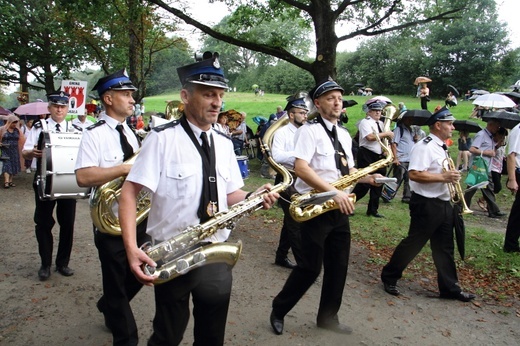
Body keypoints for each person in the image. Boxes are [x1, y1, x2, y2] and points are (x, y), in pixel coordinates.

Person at [118, 52, 278, 345]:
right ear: (185, 96)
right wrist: (130, 248)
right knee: (168, 334)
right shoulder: (161, 139)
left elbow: (230, 193)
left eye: (220, 95)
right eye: (208, 94)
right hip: (172, 252)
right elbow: (129, 194)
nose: (217, 102)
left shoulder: (223, 141)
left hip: (215, 251)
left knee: (211, 336)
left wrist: (252, 196)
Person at [270, 79, 383, 336]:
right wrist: (333, 192)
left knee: (339, 266)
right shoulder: (308, 131)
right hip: (317, 205)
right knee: (310, 267)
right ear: (318, 104)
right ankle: (279, 309)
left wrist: (367, 178)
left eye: (339, 98)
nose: (337, 102)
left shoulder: (343, 134)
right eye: (331, 98)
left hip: (339, 207)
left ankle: (328, 317)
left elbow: (349, 170)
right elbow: (301, 168)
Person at [75, 69, 149, 346]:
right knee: (117, 285)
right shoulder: (93, 134)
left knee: (142, 273)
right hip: (110, 221)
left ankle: (108, 304)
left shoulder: (131, 132)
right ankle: (126, 338)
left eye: (132, 95)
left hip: (138, 218)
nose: (132, 100)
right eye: (126, 95)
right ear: (108, 98)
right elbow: (83, 176)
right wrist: (124, 169)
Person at [381, 106, 476, 302]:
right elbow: (414, 174)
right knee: (414, 243)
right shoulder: (424, 146)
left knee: (445, 247)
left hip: (442, 202)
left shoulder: (441, 146)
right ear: (438, 125)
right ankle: (389, 276)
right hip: (425, 203)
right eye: (449, 123)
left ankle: (450, 288)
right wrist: (444, 177)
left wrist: (450, 178)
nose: (453, 127)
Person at [22, 91, 76, 281]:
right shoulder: (39, 127)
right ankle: (45, 264)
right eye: (55, 106)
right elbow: (25, 151)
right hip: (44, 179)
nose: (59, 109)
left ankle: (63, 263)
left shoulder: (75, 128)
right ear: (49, 108)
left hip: (68, 180)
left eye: (62, 106)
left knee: (67, 223)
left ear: (68, 108)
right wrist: (32, 153)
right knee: (43, 222)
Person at [271, 96, 308, 269]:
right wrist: (299, 157)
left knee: (290, 221)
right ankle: (304, 265)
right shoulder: (281, 132)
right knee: (296, 221)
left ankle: (281, 256)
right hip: (287, 179)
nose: (305, 115)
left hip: (303, 179)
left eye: (306, 112)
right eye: (302, 112)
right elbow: (276, 156)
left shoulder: (307, 132)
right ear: (291, 115)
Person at [351, 101, 394, 217]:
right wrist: (386, 134)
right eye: (375, 111)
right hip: (366, 154)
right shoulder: (365, 122)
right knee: (363, 184)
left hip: (379, 155)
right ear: (369, 112)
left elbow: (384, 140)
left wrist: (386, 149)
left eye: (379, 111)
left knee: (380, 182)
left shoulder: (381, 123)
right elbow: (369, 137)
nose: (378, 113)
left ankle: (373, 210)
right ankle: (348, 205)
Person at [463, 119, 507, 218]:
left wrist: (497, 147)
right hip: (478, 167)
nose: (498, 128)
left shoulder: (490, 137)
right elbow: (472, 149)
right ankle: (463, 206)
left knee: (488, 188)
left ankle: (493, 211)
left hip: (486, 167)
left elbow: (491, 151)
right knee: (472, 188)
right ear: (490, 125)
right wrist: (485, 153)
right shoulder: (481, 135)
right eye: (497, 126)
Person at [504, 122, 520, 253]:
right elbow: (511, 155)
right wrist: (512, 179)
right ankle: (511, 244)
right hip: (519, 171)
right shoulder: (518, 129)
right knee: (518, 212)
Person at [391, 115, 414, 203]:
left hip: (409, 159)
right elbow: (394, 144)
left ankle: (407, 197)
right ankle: (388, 194)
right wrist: (395, 158)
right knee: (397, 178)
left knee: (408, 179)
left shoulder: (410, 130)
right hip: (400, 159)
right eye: (409, 119)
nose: (411, 121)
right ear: (404, 120)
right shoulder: (399, 130)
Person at [1, 114, 23, 188]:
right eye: (13, 122)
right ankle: (6, 182)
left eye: (16, 122)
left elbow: (21, 140)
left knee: (13, 164)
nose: (14, 124)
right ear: (9, 122)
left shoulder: (17, 130)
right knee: (6, 164)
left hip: (14, 150)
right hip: (5, 149)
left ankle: (10, 181)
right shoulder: (2, 130)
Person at [490, 127, 507, 194]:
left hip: (499, 168)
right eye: (501, 136)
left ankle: (486, 201)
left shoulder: (502, 144)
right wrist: (497, 147)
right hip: (492, 168)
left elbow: (501, 154)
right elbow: (491, 153)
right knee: (497, 187)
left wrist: (505, 157)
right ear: (496, 134)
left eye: (503, 136)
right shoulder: (491, 142)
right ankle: (484, 200)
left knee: (494, 187)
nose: (502, 138)